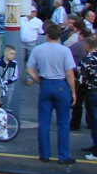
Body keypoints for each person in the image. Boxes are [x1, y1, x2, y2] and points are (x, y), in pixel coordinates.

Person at [26, 22, 77, 164]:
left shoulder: (38, 49)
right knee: (63, 123)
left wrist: (39, 81)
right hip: (61, 85)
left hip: (45, 84)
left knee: (44, 122)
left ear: (47, 35)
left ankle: (44, 154)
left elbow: (29, 69)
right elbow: (69, 73)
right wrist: (73, 92)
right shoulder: (65, 51)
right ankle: (63, 155)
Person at [76, 36, 97, 161]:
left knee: (94, 121)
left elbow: (81, 77)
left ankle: (95, 152)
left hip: (92, 92)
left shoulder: (88, 59)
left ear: (87, 46)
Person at [0, 45, 19, 110]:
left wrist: (8, 81)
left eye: (14, 54)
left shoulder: (14, 63)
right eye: (11, 53)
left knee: (6, 104)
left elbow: (15, 75)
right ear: (5, 53)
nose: (13, 56)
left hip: (9, 87)